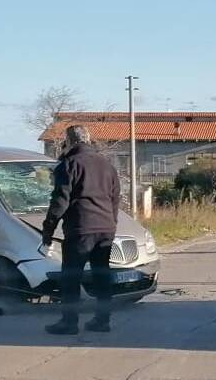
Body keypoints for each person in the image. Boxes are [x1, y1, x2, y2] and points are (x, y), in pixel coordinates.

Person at [41, 125, 121, 335]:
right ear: (88, 140)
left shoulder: (69, 164)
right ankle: (103, 320)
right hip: (105, 227)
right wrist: (112, 222)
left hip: (81, 227)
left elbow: (60, 201)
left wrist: (48, 231)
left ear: (69, 141)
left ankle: (69, 322)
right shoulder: (107, 165)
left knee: (71, 277)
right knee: (102, 275)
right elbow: (115, 199)